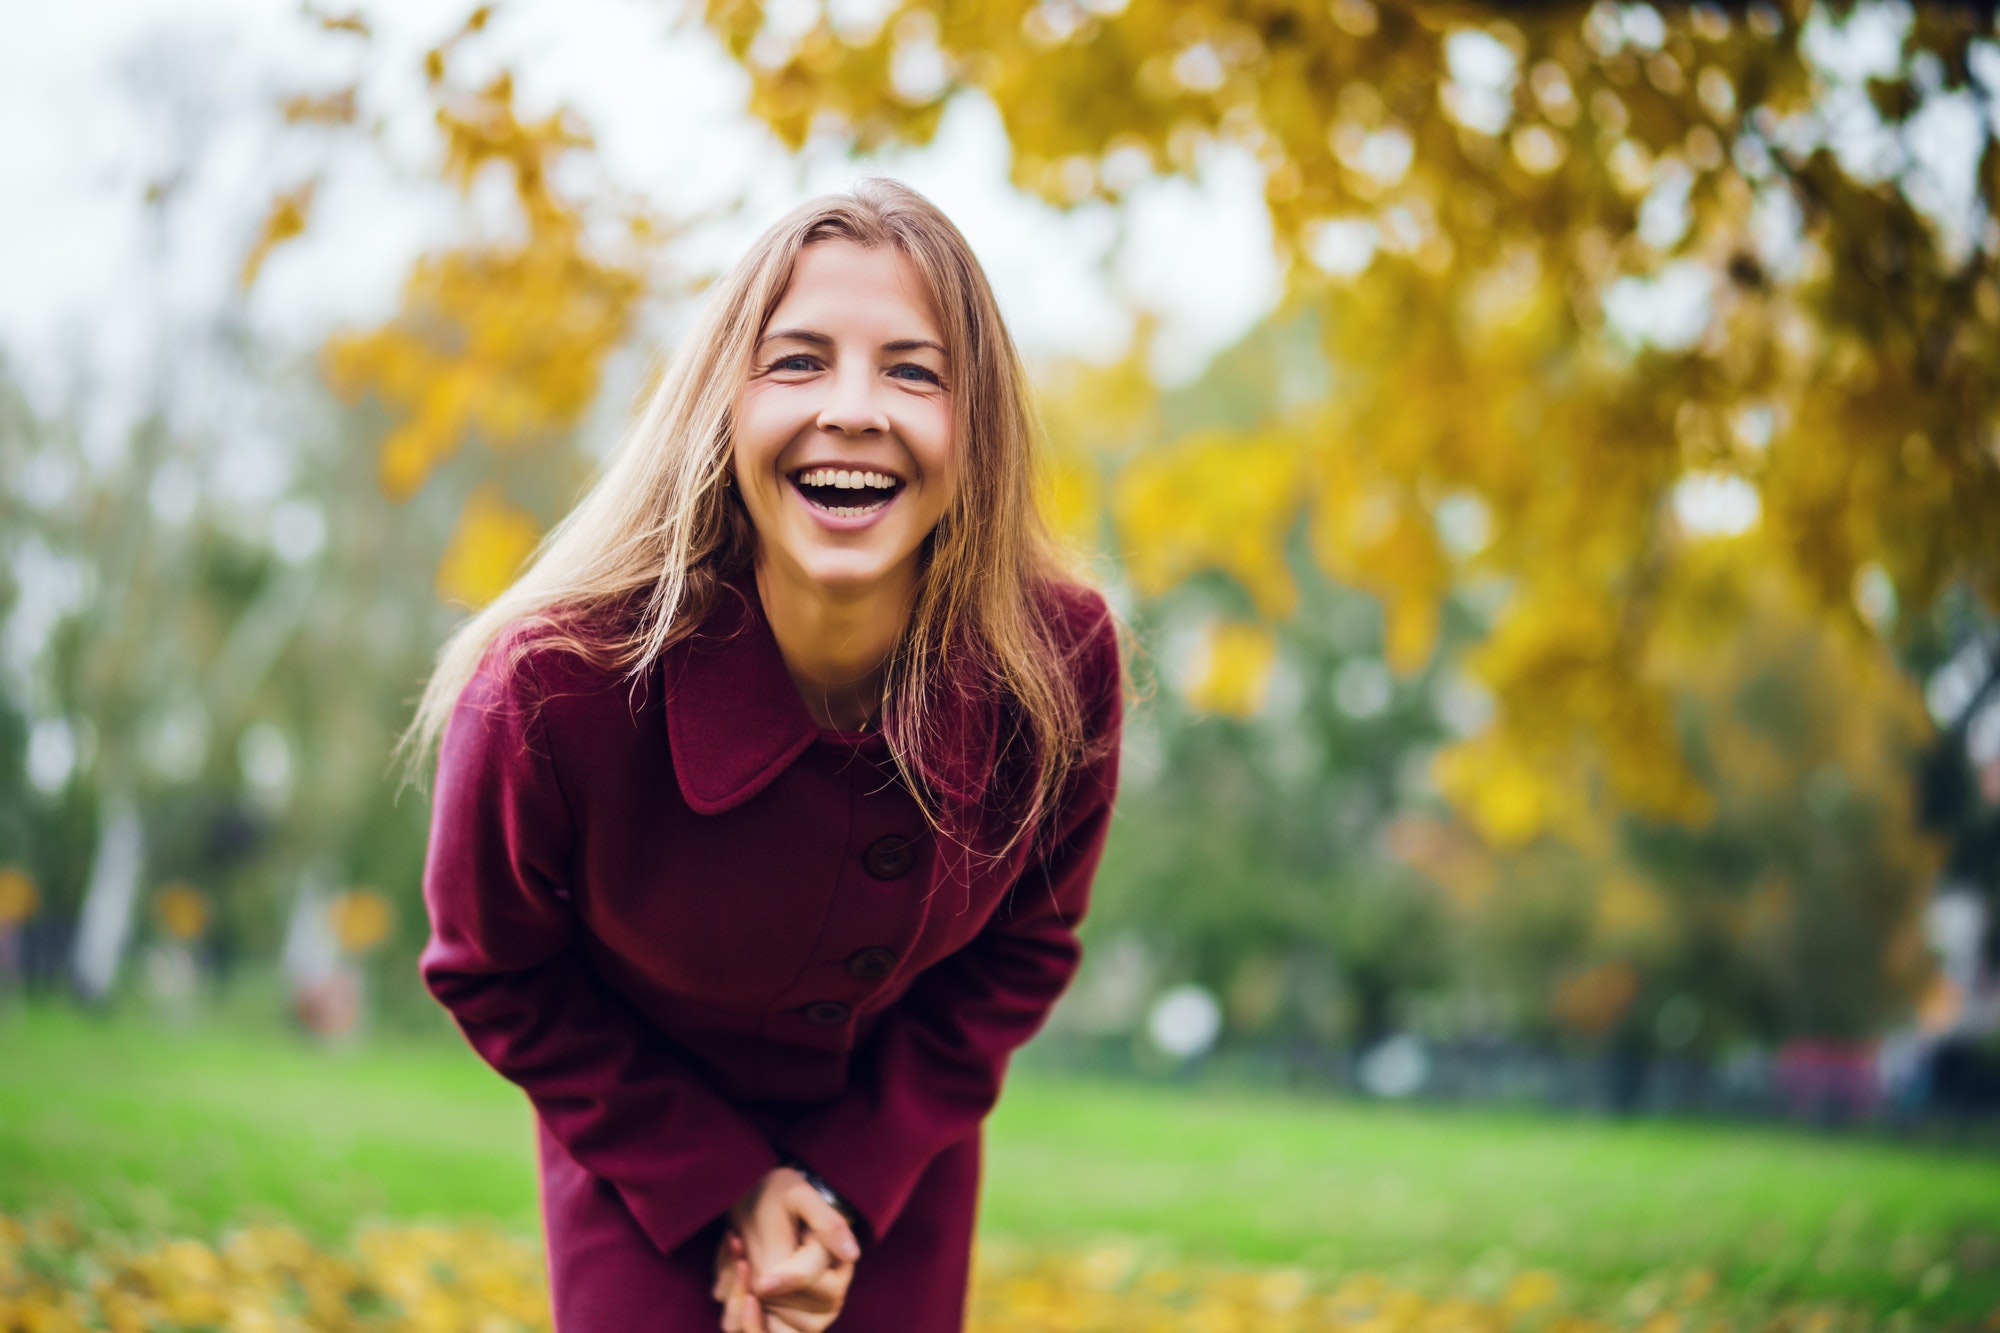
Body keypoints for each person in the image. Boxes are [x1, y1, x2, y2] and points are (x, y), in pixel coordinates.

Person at [409, 178, 1124, 1332]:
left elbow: (1024, 948)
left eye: (913, 369)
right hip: (641, 1142)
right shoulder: (551, 688)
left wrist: (847, 1178)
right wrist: (721, 1181)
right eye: (796, 362)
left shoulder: (1057, 666)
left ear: (976, 430)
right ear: (718, 410)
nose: (853, 407)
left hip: (896, 1144)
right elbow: (492, 967)